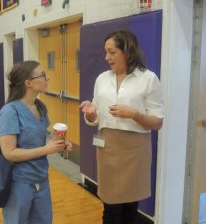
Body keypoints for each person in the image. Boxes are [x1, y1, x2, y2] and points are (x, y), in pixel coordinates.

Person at [79, 30, 164, 224]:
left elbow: (158, 122)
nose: (106, 57)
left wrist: (134, 114)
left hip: (135, 150)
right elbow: (96, 116)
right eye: (105, 52)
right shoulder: (102, 79)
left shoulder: (148, 78)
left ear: (127, 51)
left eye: (111, 52)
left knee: (130, 207)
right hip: (107, 147)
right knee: (110, 206)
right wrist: (91, 114)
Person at [0, 60, 72, 224]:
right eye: (43, 75)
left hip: (41, 178)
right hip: (19, 182)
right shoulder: (9, 112)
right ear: (28, 83)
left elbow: (42, 136)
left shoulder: (39, 106)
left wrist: (58, 144)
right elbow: (9, 153)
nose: (47, 79)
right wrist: (47, 149)